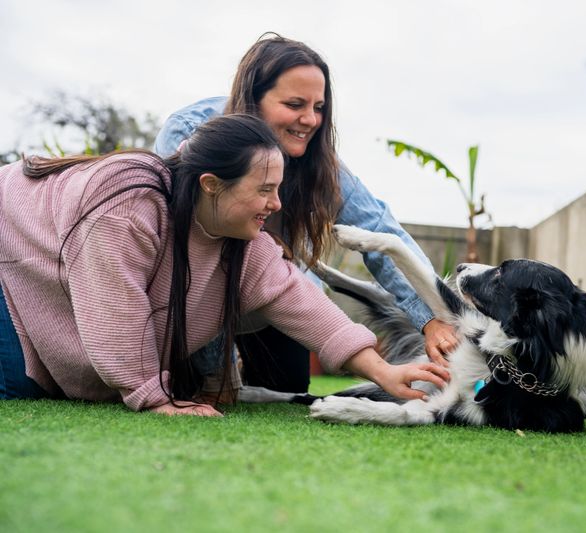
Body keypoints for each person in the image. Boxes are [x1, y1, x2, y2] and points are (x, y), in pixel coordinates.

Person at [0, 114, 449, 414]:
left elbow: (300, 301)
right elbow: (116, 313)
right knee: (21, 384)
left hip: (56, 299)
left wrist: (385, 372)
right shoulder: (126, 206)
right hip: (11, 281)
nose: (275, 205)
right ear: (211, 185)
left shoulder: (239, 237)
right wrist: (156, 399)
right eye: (264, 190)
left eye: (278, 189)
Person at [155, 33, 458, 396]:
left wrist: (432, 318)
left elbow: (378, 230)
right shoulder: (191, 134)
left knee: (288, 388)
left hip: (270, 291)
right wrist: (214, 376)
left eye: (318, 107)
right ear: (253, 101)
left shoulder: (320, 164)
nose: (310, 120)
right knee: (193, 390)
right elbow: (187, 250)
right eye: (295, 103)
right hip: (196, 292)